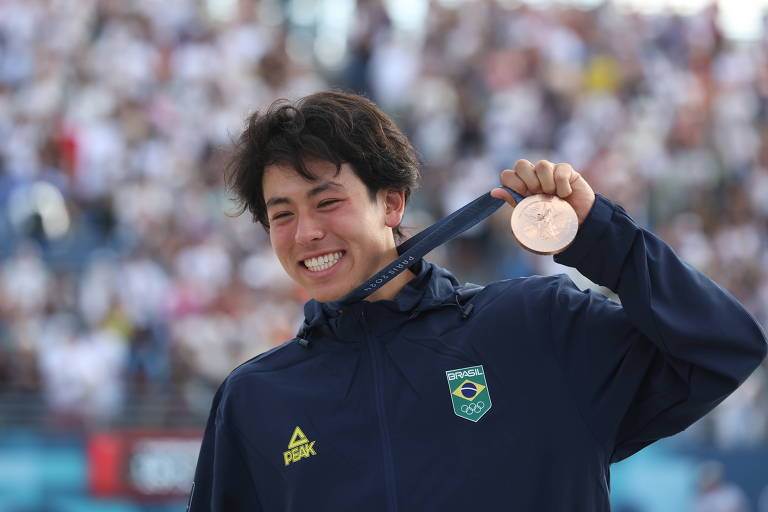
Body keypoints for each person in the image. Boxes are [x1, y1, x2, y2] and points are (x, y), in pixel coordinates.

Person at [187, 91, 767, 511]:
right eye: (281, 215)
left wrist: (601, 237)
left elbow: (722, 347)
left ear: (391, 204)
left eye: (327, 201)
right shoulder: (255, 399)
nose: (305, 232)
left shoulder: (538, 330)